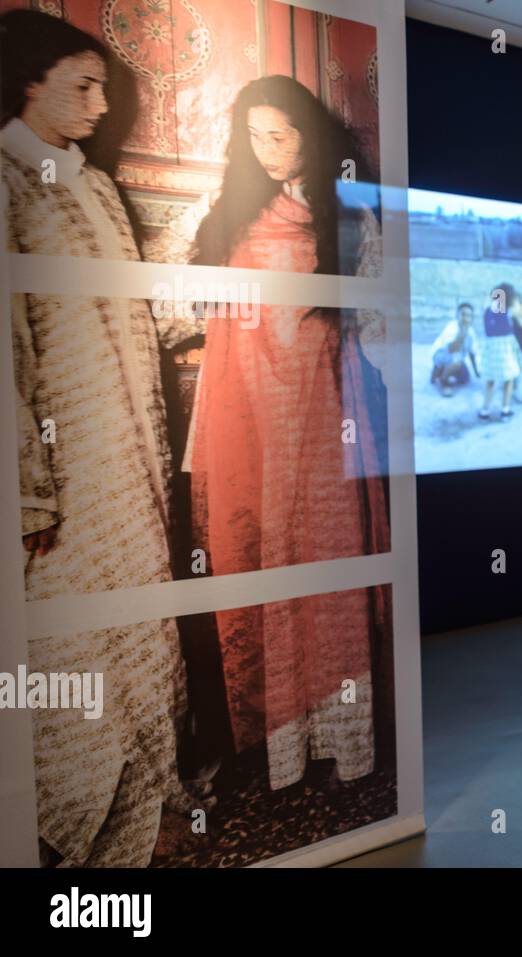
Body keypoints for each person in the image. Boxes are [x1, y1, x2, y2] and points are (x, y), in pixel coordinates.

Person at [2, 9, 198, 865]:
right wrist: (29, 483)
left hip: (130, 453)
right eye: (81, 84)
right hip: (66, 466)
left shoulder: (98, 186)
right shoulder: (6, 180)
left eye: (105, 87)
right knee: (71, 639)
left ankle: (148, 805)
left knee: (139, 628)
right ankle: (71, 824)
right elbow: (7, 342)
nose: (97, 101)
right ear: (29, 84)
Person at [184, 75, 389, 792]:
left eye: (283, 134)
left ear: (311, 132)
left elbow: (377, 325)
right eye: (255, 136)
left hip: (326, 419)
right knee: (271, 576)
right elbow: (212, 324)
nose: (268, 151)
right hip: (258, 430)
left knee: (329, 578)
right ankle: (285, 748)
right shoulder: (235, 217)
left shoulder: (347, 212)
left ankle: (346, 744)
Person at [478, 282, 522, 419]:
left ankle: (485, 409)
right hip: (505, 350)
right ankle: (505, 409)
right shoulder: (509, 311)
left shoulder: (487, 309)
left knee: (490, 380)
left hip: (491, 349)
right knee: (508, 380)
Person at [431, 301, 479, 396]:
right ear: (457, 315)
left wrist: (476, 371)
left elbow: (472, 352)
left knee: (465, 379)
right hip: (442, 354)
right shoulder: (451, 327)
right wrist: (462, 333)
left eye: (469, 315)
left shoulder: (471, 332)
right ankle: (443, 381)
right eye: (463, 314)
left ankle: (439, 372)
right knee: (457, 362)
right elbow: (451, 349)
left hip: (456, 358)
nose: (465, 318)